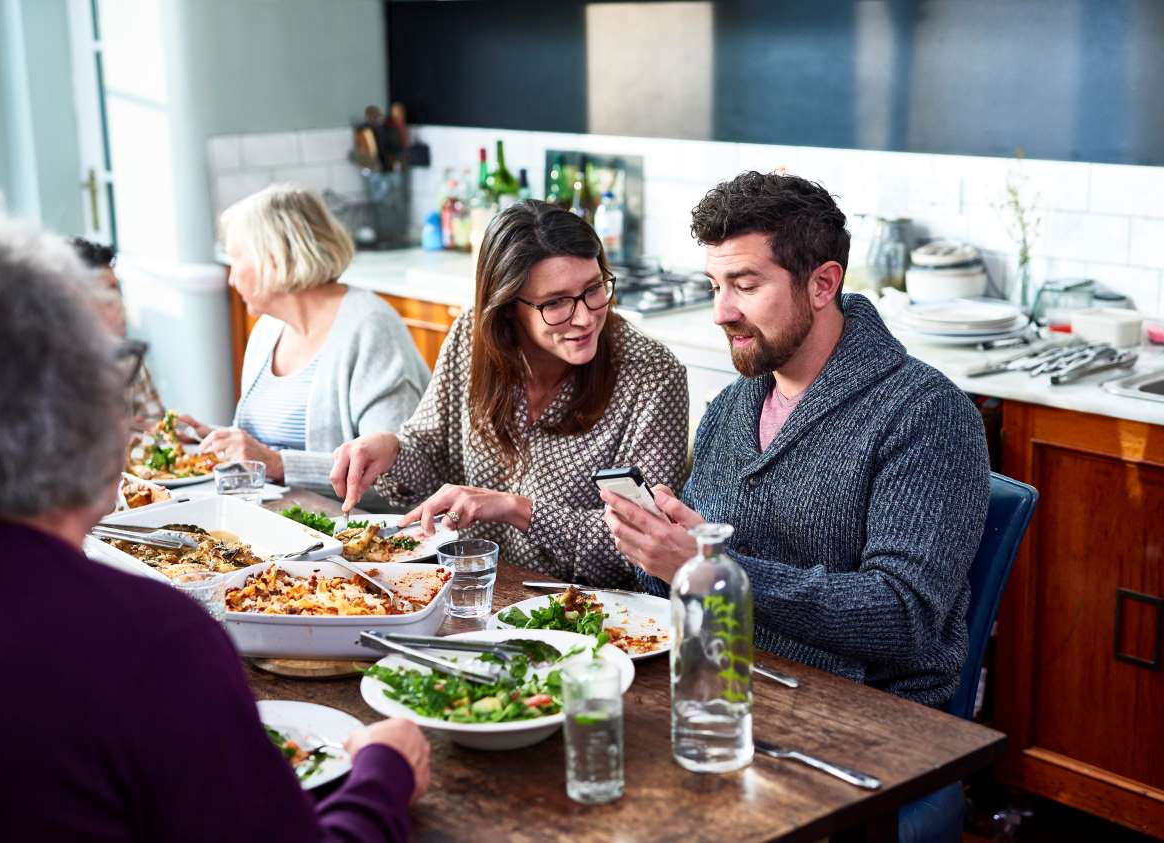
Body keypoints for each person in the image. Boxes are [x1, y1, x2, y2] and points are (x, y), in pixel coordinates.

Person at [0, 224, 430, 842]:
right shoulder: (154, 643)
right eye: (119, 373)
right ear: (65, 409)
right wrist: (384, 774)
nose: (133, 412)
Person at [601, 172, 989, 837]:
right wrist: (657, 548)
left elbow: (904, 616)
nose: (722, 311)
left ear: (822, 283)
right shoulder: (731, 407)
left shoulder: (926, 414)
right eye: (715, 286)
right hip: (728, 696)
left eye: (746, 285)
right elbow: (690, 586)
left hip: (860, 728)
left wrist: (711, 569)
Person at [331, 200, 689, 589]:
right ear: (506, 308)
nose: (585, 317)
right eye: (555, 302)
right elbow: (431, 465)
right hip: (462, 589)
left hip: (590, 617)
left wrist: (516, 510)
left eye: (593, 289)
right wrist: (391, 451)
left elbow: (645, 546)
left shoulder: (653, 375)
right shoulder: (473, 335)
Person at [182, 184, 429, 496]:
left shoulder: (370, 328)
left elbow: (398, 479)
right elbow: (266, 449)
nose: (231, 278)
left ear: (272, 258)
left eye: (235, 260)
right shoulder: (267, 329)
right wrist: (212, 440)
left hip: (348, 534)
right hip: (277, 521)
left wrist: (278, 464)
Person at [70, 236, 166, 424]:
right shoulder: (52, 374)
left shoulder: (128, 357)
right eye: (108, 290)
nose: (119, 302)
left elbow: (157, 424)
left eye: (117, 290)